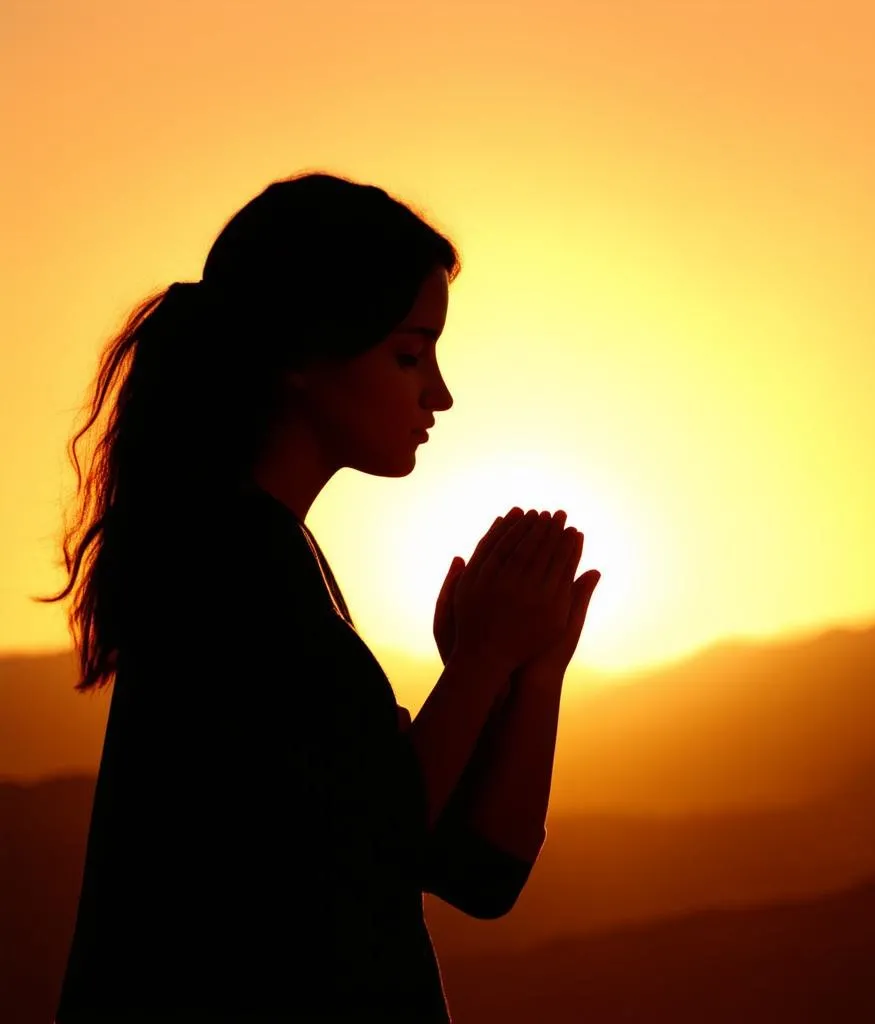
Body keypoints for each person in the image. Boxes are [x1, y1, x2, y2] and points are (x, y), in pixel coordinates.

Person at [36, 171, 602, 1022]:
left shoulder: (278, 566)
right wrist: (481, 659)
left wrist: (528, 669)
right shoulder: (228, 579)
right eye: (408, 354)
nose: (437, 393)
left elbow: (479, 871)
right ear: (304, 354)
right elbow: (368, 856)